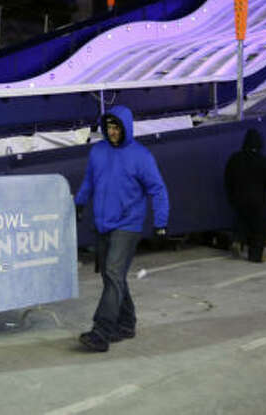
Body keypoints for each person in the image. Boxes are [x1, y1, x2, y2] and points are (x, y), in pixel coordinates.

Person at [74, 105, 170, 352]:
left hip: (128, 224)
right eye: (108, 127)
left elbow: (157, 189)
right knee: (111, 276)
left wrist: (161, 223)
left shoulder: (141, 156)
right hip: (103, 223)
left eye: (116, 127)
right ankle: (127, 323)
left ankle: (101, 331)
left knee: (114, 274)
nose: (112, 131)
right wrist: (79, 204)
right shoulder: (98, 151)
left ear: (126, 128)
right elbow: (89, 181)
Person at [224, 128, 266, 263]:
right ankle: (255, 255)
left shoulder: (234, 158)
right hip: (257, 200)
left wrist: (231, 196)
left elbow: (227, 179)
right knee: (258, 228)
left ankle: (237, 240)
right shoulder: (262, 160)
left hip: (238, 199)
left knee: (241, 221)